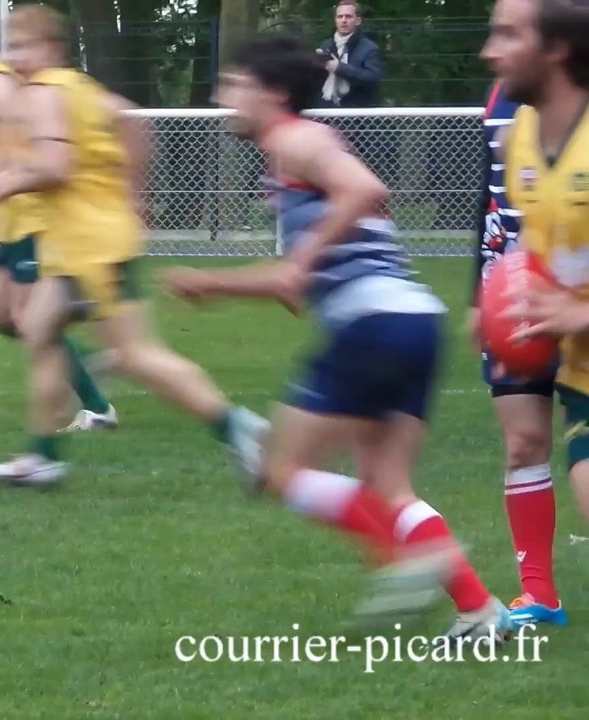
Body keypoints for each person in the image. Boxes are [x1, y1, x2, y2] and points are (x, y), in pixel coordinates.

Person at [161, 35, 513, 640]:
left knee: (279, 469)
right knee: (389, 486)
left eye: (235, 84)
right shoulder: (288, 155)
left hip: (370, 323)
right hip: (411, 319)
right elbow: (295, 271)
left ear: (272, 93)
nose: (224, 98)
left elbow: (365, 191)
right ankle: (482, 610)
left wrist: (301, 263)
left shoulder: (297, 138)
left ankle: (405, 560)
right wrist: (217, 283)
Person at [0, 4, 267, 486]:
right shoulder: (78, 87)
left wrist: (1, 185)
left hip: (88, 245)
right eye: (9, 46)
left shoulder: (46, 91)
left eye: (23, 46)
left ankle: (239, 427)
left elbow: (54, 167)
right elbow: (133, 120)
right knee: (40, 331)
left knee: (135, 355)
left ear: (51, 49)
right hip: (91, 237)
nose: (13, 57)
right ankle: (43, 455)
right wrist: (135, 195)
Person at [0, 0, 118, 432]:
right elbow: (2, 144)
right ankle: (88, 356)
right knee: (1, 313)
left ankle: (95, 399)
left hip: (29, 214)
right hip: (9, 217)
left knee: (28, 319)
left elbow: (25, 133)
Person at [486, 0, 589, 565]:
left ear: (556, 49)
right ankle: (538, 592)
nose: (489, 51)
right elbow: (539, 253)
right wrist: (509, 313)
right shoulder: (518, 139)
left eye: (507, 35)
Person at [467, 79, 566, 627]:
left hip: (576, 284)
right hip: (510, 289)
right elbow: (487, 194)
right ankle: (539, 595)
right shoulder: (502, 91)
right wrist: (474, 296)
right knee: (522, 441)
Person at [317, 1, 383, 108]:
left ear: (358, 20)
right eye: (340, 17)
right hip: (328, 109)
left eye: (348, 17)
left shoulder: (369, 48)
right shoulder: (326, 45)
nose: (343, 20)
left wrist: (340, 68)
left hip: (357, 113)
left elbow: (372, 79)